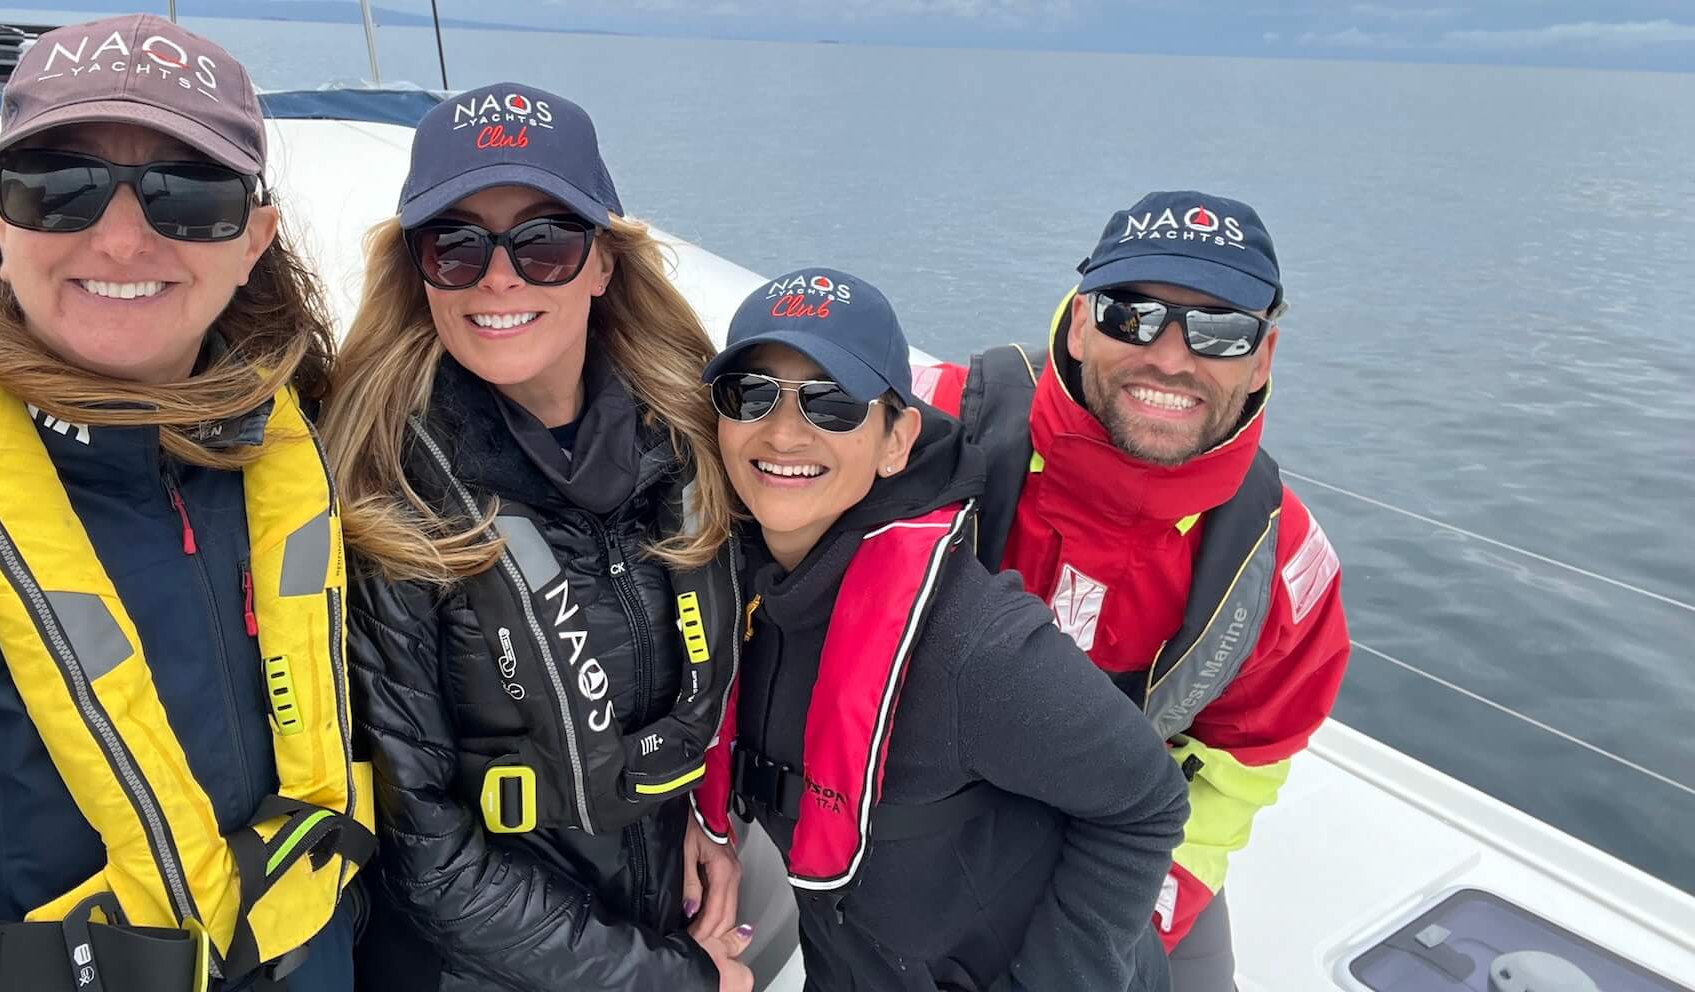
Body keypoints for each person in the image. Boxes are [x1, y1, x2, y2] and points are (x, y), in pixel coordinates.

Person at [0, 15, 371, 992]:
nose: (125, 238)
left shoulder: (302, 464)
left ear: (254, 238)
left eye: (189, 196)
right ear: (3, 219)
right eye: (61, 188)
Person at [325, 83, 753, 992]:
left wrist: (706, 823)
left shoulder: (687, 443)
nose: (500, 277)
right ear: (419, 273)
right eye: (457, 245)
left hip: (655, 921)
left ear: (604, 263)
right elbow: (424, 851)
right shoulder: (383, 496)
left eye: (545, 242)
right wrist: (671, 979)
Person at [693, 267, 1190, 992]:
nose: (783, 432)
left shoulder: (974, 645)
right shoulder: (739, 596)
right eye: (751, 395)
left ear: (897, 441)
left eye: (833, 404)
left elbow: (1147, 801)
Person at [915, 192, 1351, 990]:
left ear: (1263, 358)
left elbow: (1244, 759)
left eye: (1221, 330)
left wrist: (1147, 902)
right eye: (1133, 316)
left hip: (1124, 846)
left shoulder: (1280, 565)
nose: (1172, 358)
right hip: (910, 808)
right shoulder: (928, 426)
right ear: (1080, 323)